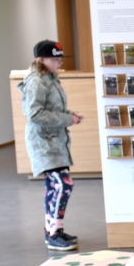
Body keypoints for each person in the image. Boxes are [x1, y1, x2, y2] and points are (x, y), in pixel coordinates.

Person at [19, 40, 84, 251]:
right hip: (44, 143)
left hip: (54, 142)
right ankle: (54, 233)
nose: (59, 63)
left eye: (60, 59)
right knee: (63, 185)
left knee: (53, 187)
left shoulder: (50, 79)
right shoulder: (37, 81)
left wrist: (69, 115)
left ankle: (53, 230)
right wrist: (67, 119)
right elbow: (35, 114)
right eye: (54, 59)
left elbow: (50, 109)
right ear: (41, 60)